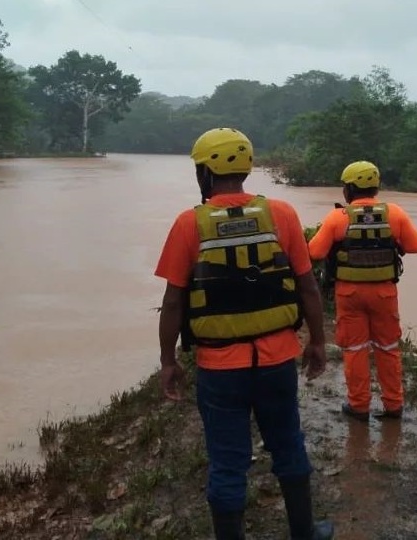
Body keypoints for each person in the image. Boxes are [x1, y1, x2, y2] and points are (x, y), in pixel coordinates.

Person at [154, 127, 334, 540]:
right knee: (288, 444)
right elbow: (308, 286)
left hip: (219, 369)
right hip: (276, 361)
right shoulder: (282, 215)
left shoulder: (189, 224)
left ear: (205, 172)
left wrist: (168, 362)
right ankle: (304, 533)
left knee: (228, 460)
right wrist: (318, 342)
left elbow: (174, 302)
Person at [308, 160, 417, 422]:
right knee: (388, 348)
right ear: (375, 187)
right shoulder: (394, 214)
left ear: (348, 189)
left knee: (355, 349)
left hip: (349, 295)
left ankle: (359, 406)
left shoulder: (338, 218)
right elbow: (416, 246)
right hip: (384, 294)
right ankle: (393, 405)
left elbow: (314, 252)